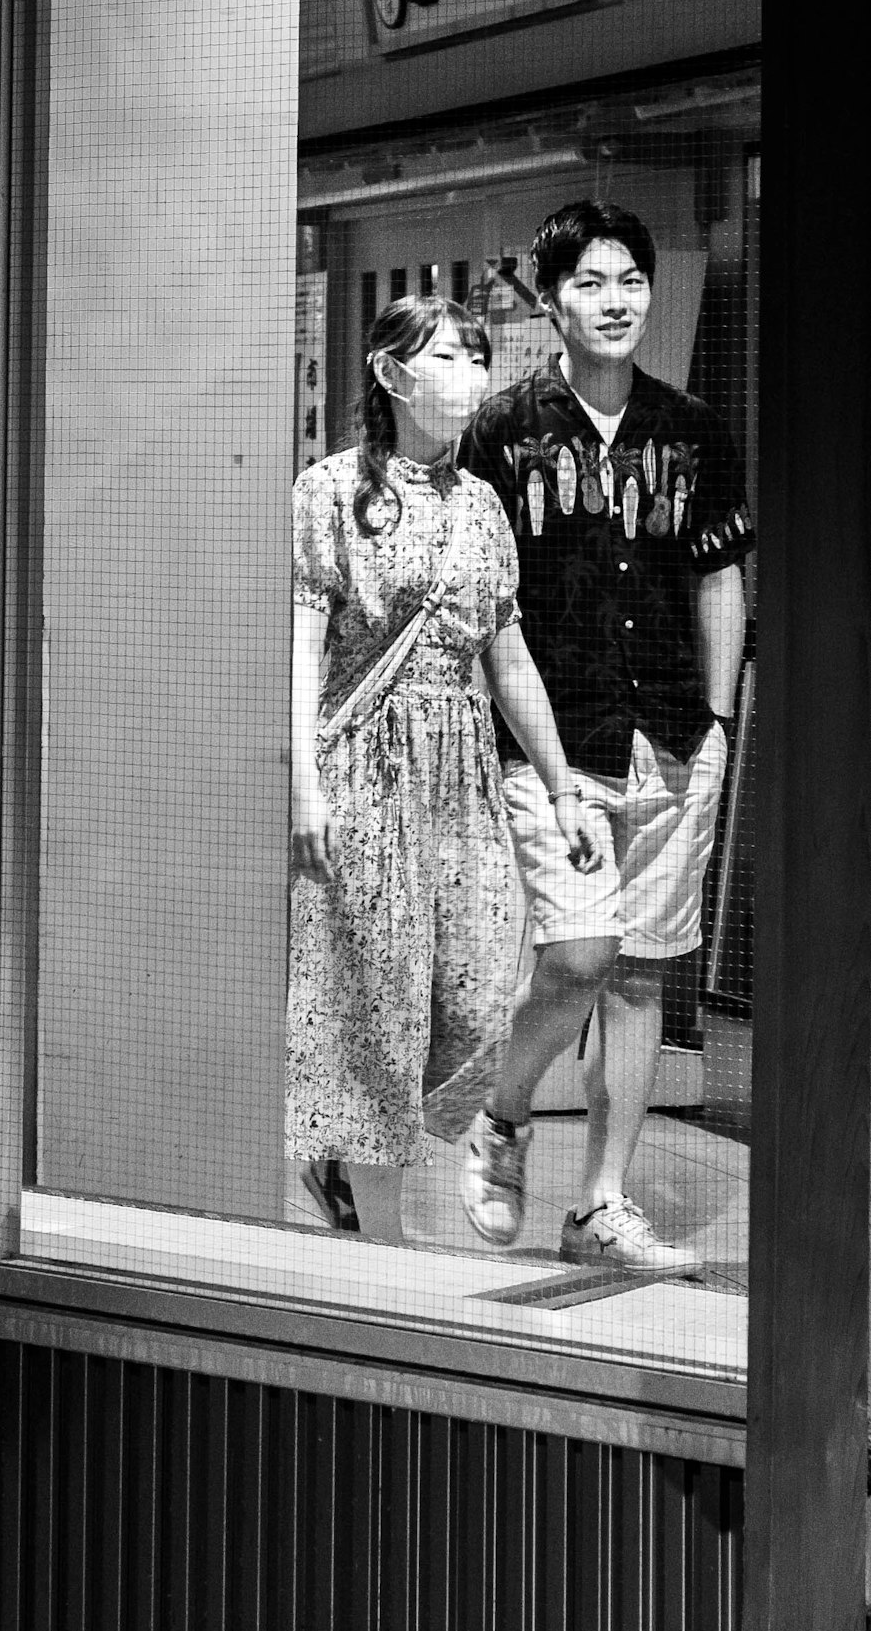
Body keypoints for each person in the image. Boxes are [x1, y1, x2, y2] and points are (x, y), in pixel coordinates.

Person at [456, 201, 751, 1274]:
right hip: (552, 741)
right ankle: (502, 1113)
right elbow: (486, 602)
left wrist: (717, 726)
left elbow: (720, 575)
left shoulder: (695, 432)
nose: (616, 299)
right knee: (579, 955)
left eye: (630, 278)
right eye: (590, 282)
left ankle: (602, 1205)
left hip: (672, 735)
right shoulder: (500, 432)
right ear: (551, 301)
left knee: (637, 980)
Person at [285, 291, 595, 1245]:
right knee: (378, 993)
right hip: (365, 769)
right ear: (390, 374)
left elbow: (508, 655)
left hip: (459, 772)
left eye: (475, 355)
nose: (469, 376)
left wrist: (560, 782)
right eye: (447, 357)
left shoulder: (483, 506)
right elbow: (302, 645)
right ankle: (383, 1226)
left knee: (474, 991)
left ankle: (341, 1152)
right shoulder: (331, 492)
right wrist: (305, 784)